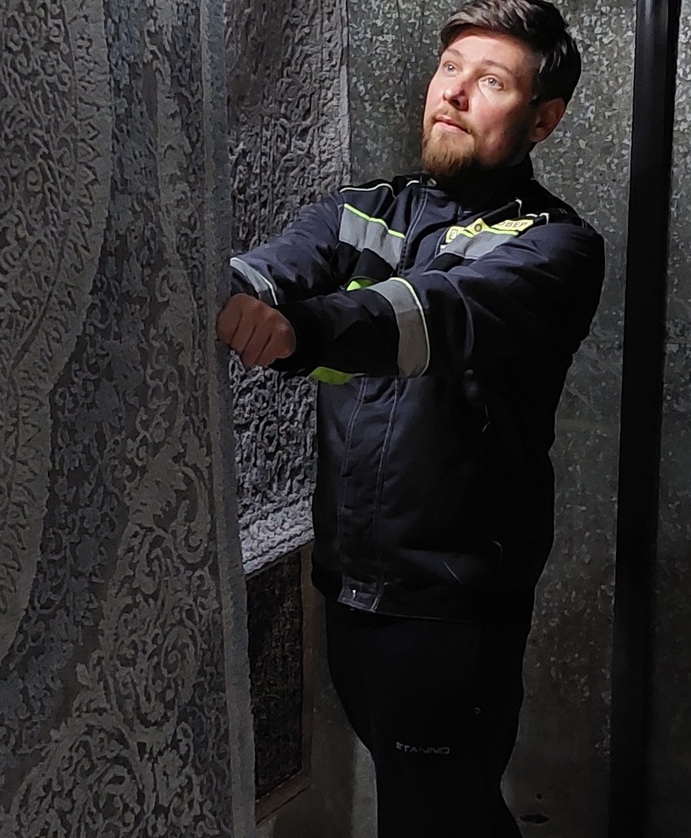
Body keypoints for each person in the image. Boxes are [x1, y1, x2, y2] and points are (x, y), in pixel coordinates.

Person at [217, 0, 604, 834]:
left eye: (490, 80)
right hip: (349, 587)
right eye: (449, 68)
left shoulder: (555, 247)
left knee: (434, 816)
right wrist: (228, 294)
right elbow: (278, 266)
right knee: (444, 812)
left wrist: (298, 329)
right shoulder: (362, 210)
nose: (453, 92)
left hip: (448, 611)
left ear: (542, 119)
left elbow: (431, 315)